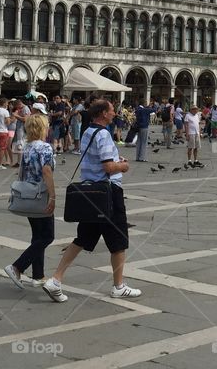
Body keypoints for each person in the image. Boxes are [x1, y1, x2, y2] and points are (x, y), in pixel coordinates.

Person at [42, 100, 141, 302]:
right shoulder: (104, 134)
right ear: (103, 113)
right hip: (108, 193)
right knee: (119, 240)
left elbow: (97, 160)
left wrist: (114, 159)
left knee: (82, 239)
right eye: (112, 111)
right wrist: (122, 165)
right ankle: (118, 286)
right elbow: (108, 168)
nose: (115, 114)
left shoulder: (88, 131)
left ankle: (55, 279)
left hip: (91, 193)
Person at [5, 114, 56, 290]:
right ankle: (17, 266)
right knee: (48, 236)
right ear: (43, 128)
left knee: (38, 236)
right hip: (41, 194)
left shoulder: (27, 147)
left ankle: (38, 275)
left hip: (27, 195)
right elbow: (47, 171)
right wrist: (53, 196)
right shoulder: (45, 148)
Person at [0, 97, 12, 171]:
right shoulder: (5, 111)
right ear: (4, 103)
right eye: (7, 103)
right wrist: (10, 119)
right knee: (2, 149)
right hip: (3, 130)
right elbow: (8, 122)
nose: (7, 104)